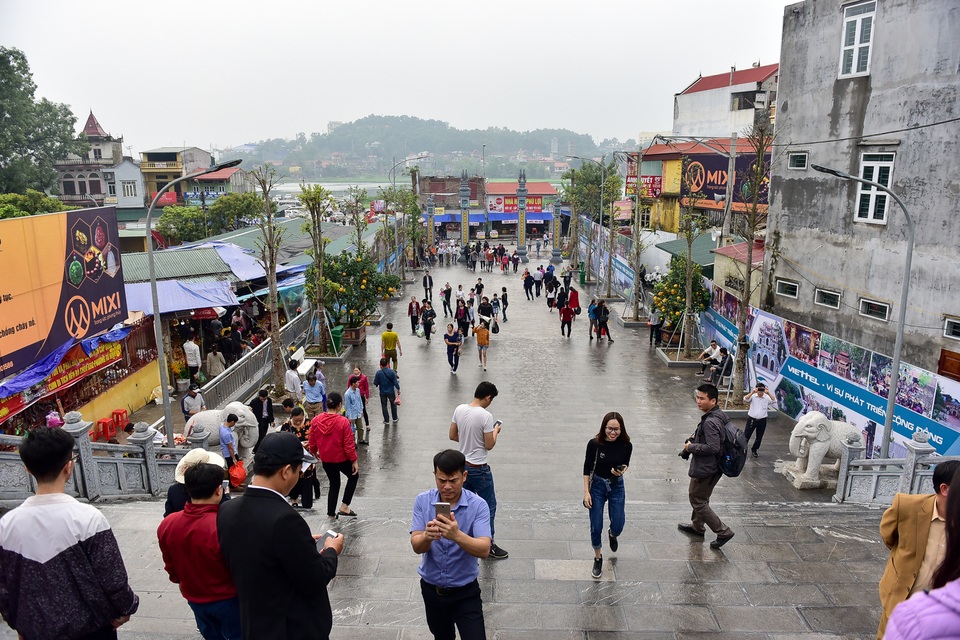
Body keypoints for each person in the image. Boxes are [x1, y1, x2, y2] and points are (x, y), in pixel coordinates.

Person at [0, 427, 139, 638]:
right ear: (69, 466)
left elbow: (5, 587)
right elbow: (113, 578)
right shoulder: (88, 518)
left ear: (27, 469)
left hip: (35, 631)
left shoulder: (7, 525)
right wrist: (125, 608)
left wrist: (19, 622)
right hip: (91, 630)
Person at [218, 431, 343, 639]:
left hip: (254, 623)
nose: (299, 476)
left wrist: (299, 544)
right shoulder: (285, 520)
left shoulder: (227, 510)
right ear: (286, 471)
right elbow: (316, 577)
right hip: (289, 629)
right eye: (298, 470)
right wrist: (331, 550)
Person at [410, 450, 492, 640]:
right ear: (435, 476)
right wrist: (427, 537)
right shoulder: (423, 501)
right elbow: (416, 546)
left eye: (453, 480)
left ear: (464, 476)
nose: (446, 487)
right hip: (432, 590)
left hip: (465, 592)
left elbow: (484, 549)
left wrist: (456, 535)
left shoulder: (478, 505)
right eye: (441, 480)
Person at [876, 459, 960, 638]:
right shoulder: (907, 506)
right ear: (945, 489)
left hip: (939, 612)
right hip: (900, 599)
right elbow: (888, 536)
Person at [157, 462, 241, 640]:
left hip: (194, 597)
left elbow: (170, 565)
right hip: (229, 599)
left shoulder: (168, 523)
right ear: (219, 490)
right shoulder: (224, 524)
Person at [449, 381, 507, 559]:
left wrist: (468, 438)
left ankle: (461, 540)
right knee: (488, 506)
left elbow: (452, 435)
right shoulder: (486, 416)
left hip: (462, 467)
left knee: (462, 505)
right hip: (480, 469)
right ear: (488, 397)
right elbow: (489, 445)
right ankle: (488, 544)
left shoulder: (459, 409)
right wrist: (496, 430)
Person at [677, 384, 735, 549]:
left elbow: (713, 447)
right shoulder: (718, 415)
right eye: (698, 397)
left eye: (702, 398)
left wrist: (690, 448)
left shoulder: (711, 421)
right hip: (714, 467)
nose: (698, 401)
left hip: (706, 468)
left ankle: (723, 531)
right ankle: (697, 527)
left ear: (713, 400)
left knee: (697, 499)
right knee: (700, 497)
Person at [583, 412, 632, 579]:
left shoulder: (626, 445)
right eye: (610, 428)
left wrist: (621, 471)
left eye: (616, 429)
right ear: (603, 428)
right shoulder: (594, 444)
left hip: (616, 485)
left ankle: (613, 534)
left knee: (618, 523)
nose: (613, 432)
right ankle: (598, 557)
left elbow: (626, 464)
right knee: (596, 525)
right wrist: (586, 492)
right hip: (597, 485)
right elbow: (586, 468)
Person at [309, 392, 360, 519]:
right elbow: (348, 444)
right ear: (339, 406)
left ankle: (331, 514)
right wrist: (354, 460)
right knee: (354, 476)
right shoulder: (343, 422)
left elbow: (312, 439)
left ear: (327, 405)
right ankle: (344, 506)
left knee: (334, 483)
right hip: (341, 458)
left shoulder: (316, 420)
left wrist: (314, 452)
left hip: (326, 459)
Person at [164, 447, 229, 517]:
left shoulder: (173, 490)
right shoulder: (213, 486)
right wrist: (226, 495)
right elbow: (225, 512)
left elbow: (168, 514)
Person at [743, 382, 776, 458]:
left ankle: (754, 449)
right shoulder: (753, 396)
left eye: (762, 390)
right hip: (752, 419)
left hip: (762, 420)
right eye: (759, 389)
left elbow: (774, 401)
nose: (760, 392)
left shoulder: (767, 397)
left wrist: (768, 393)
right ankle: (743, 449)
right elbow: (745, 399)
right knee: (746, 435)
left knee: (759, 437)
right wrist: (752, 392)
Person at [373, 357, 401, 425]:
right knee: (393, 404)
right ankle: (394, 418)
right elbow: (395, 382)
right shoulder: (392, 372)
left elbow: (375, 382)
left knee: (384, 405)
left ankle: (386, 420)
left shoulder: (378, 373)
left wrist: (379, 383)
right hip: (391, 391)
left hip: (382, 392)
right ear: (387, 364)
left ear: (380, 365)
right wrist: (398, 389)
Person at [249, 388, 274, 454]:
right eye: (262, 398)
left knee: (264, 434)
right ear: (259, 396)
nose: (263, 400)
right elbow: (249, 407)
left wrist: (272, 420)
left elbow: (270, 410)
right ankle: (257, 449)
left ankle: (258, 449)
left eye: (264, 398)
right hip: (259, 420)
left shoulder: (269, 401)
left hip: (266, 419)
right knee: (261, 435)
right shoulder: (255, 401)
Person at [344, 375, 367, 444]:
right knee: (352, 430)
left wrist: (362, 410)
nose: (358, 384)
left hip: (358, 413)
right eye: (357, 382)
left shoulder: (357, 390)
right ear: (353, 384)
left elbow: (359, 401)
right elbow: (348, 406)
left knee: (360, 427)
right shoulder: (347, 394)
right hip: (352, 415)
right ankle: (352, 443)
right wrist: (349, 417)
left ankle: (360, 439)